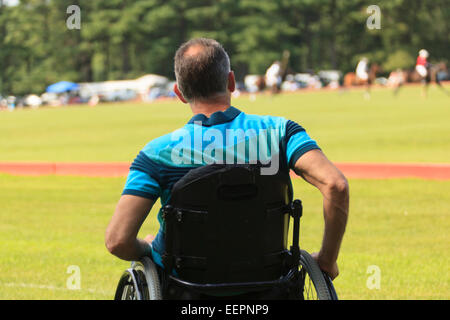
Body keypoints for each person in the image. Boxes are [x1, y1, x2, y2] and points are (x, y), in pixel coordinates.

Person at [105, 38, 349, 284]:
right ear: (231, 81)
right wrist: (327, 260)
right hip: (267, 276)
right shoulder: (280, 132)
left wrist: (148, 248)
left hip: (186, 284)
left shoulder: (156, 153)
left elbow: (118, 241)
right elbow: (335, 185)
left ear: (179, 93)